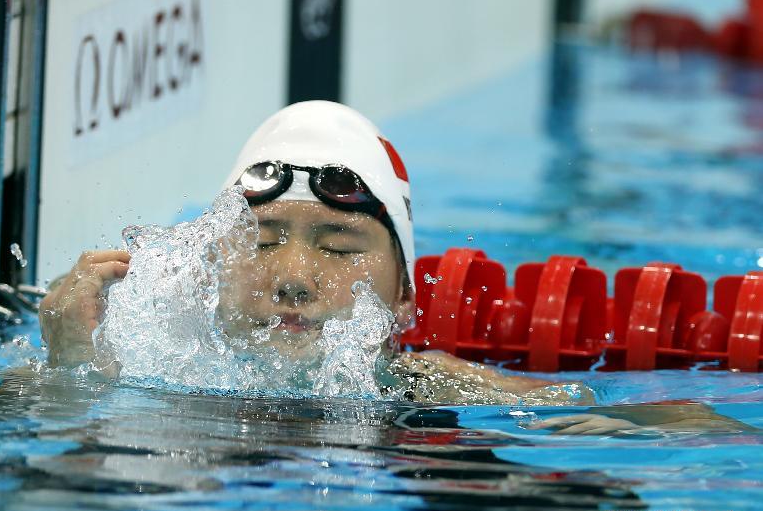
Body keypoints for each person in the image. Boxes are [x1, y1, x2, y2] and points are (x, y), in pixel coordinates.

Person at [39, 101, 752, 435]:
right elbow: (39, 455)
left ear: (407, 298)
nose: (292, 274)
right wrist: (71, 366)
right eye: (260, 240)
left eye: (340, 246)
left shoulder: (431, 385)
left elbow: (651, 420)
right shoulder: (137, 364)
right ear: (211, 265)